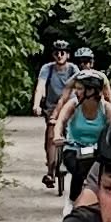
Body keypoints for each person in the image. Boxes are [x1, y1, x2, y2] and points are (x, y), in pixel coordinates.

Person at [55, 69, 111, 197]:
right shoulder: (74, 104)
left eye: (80, 88)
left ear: (91, 90)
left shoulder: (105, 107)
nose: (76, 92)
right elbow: (61, 120)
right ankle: (72, 202)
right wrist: (57, 135)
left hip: (97, 150)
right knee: (78, 169)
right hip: (73, 147)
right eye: (76, 88)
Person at [31, 40, 76, 187]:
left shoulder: (73, 70)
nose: (60, 55)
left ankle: (71, 161)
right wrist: (36, 104)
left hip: (70, 106)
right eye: (57, 52)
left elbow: (80, 87)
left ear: (68, 55)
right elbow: (40, 86)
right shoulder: (47, 69)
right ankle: (50, 172)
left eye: (63, 52)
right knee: (51, 136)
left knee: (73, 134)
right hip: (51, 108)